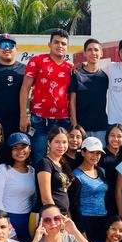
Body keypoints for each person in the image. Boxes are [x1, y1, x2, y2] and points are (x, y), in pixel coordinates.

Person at [19, 29, 73, 165]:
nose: (60, 46)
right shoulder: (37, 61)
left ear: (67, 47)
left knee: (61, 158)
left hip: (63, 120)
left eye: (63, 43)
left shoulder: (70, 68)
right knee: (39, 155)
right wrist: (23, 115)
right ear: (49, 44)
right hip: (39, 119)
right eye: (56, 42)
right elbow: (25, 88)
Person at [0, 132, 36, 242]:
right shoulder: (2, 169)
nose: (20, 151)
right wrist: (9, 229)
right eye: (15, 148)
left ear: (30, 149)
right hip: (8, 220)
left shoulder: (32, 171)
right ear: (9, 151)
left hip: (28, 222)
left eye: (24, 147)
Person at [69, 38, 108, 145]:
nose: (93, 53)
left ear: (101, 53)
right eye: (90, 50)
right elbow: (72, 102)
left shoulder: (105, 76)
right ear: (85, 53)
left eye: (96, 50)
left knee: (98, 155)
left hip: (101, 128)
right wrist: (74, 125)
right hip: (81, 128)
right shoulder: (77, 75)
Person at [71, 137, 108, 242]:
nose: (95, 156)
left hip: (102, 220)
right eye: (92, 152)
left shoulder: (102, 171)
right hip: (85, 221)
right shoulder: (76, 175)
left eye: (98, 153)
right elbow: (74, 204)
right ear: (83, 152)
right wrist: (81, 229)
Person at [34, 126, 73, 217]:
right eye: (57, 142)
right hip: (48, 217)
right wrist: (58, 218)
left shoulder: (63, 164)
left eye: (64, 142)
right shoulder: (45, 163)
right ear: (49, 143)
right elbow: (46, 199)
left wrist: (67, 217)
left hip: (61, 216)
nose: (61, 146)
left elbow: (63, 194)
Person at [101, 124, 122, 215]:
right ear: (107, 137)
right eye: (112, 135)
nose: (115, 139)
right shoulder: (100, 155)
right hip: (105, 199)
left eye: (119, 136)